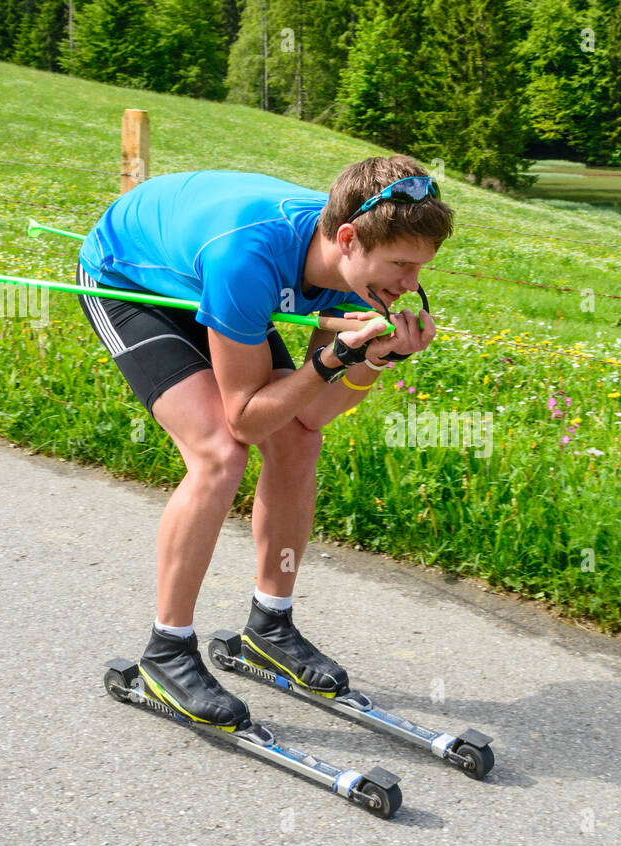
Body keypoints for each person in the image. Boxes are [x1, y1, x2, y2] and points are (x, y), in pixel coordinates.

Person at [75, 155, 455, 728]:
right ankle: (166, 650)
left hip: (215, 275)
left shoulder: (357, 278)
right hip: (132, 281)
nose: (409, 286)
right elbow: (248, 420)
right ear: (347, 238)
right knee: (219, 454)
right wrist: (335, 356)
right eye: (401, 265)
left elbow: (312, 413)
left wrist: (378, 359)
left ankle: (270, 626)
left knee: (300, 442)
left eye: (420, 268)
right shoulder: (249, 258)